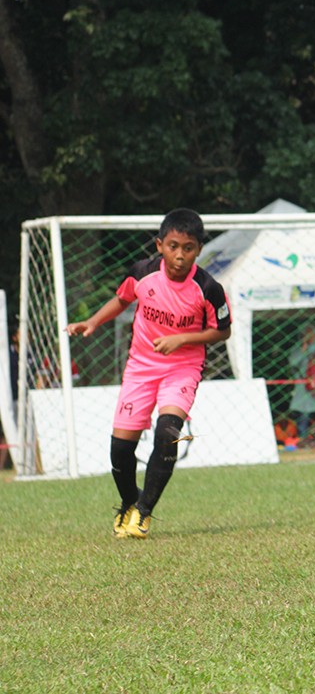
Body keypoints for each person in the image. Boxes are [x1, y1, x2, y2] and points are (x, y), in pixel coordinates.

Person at [65, 208, 231, 539]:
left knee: (167, 433)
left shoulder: (209, 288)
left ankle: (143, 512)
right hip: (140, 367)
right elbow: (121, 299)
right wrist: (92, 322)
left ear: (198, 249)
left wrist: (183, 338)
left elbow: (222, 331)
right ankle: (129, 501)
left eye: (188, 248)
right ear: (159, 245)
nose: (180, 255)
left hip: (183, 369)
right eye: (173, 246)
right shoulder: (141, 274)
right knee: (120, 449)